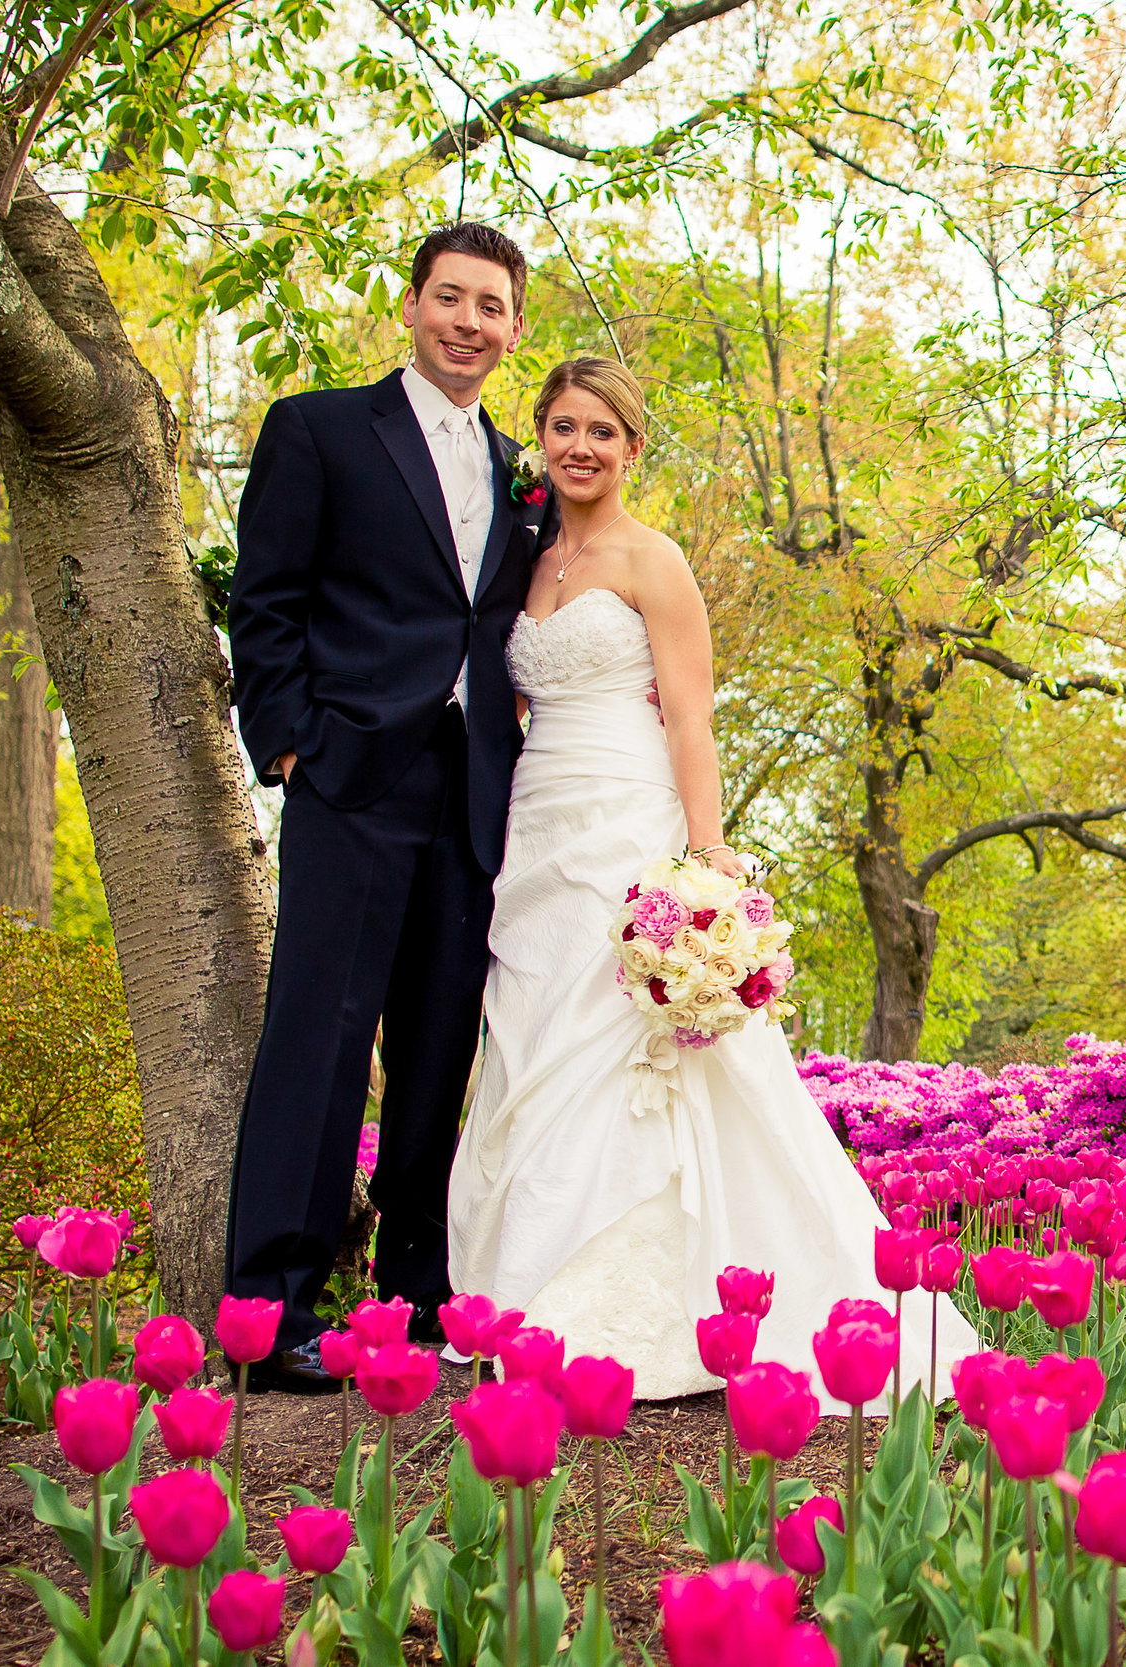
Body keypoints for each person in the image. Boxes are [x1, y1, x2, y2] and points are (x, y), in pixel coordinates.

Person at [447, 356, 978, 1406]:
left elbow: (690, 717)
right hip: (537, 828)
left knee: (627, 1044)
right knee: (531, 1033)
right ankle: (529, 1293)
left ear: (632, 447)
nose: (580, 445)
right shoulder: (528, 562)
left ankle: (659, 1306)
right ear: (539, 440)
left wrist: (703, 857)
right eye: (562, 426)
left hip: (629, 824)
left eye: (602, 429)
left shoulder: (656, 561)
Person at [224, 223, 545, 1387]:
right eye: (450, 298)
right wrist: (290, 746)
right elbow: (264, 600)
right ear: (411, 307)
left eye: (491, 306)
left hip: (472, 796)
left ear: (514, 328)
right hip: (351, 779)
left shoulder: (526, 471)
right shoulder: (318, 429)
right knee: (317, 1040)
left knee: (436, 1049)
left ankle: (412, 1293)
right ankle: (273, 1307)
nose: (469, 322)